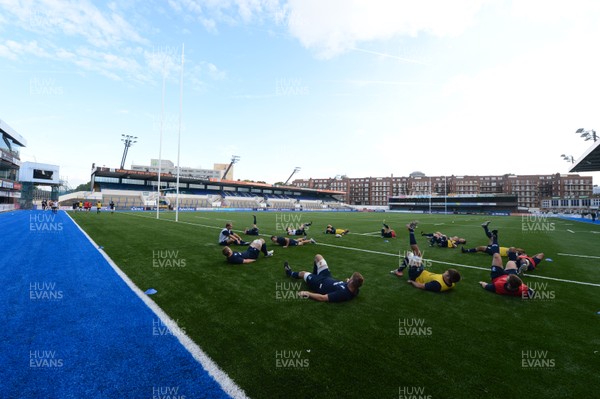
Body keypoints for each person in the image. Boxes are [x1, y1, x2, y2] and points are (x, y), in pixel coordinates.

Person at [390, 221, 461, 292]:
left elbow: (421, 286)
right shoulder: (452, 283)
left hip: (415, 275)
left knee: (416, 251)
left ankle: (411, 231)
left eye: (446, 272)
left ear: (448, 277)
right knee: (410, 254)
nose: (445, 271)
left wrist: (412, 281)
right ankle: (399, 271)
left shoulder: (437, 285)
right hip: (422, 271)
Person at [283, 254, 363, 302]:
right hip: (327, 276)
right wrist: (348, 280)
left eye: (351, 278)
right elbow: (353, 285)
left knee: (303, 273)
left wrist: (306, 293)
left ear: (352, 282)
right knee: (318, 257)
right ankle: (314, 275)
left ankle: (290, 273)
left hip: (319, 283)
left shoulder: (343, 294)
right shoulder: (355, 288)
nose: (349, 278)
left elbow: (323, 298)